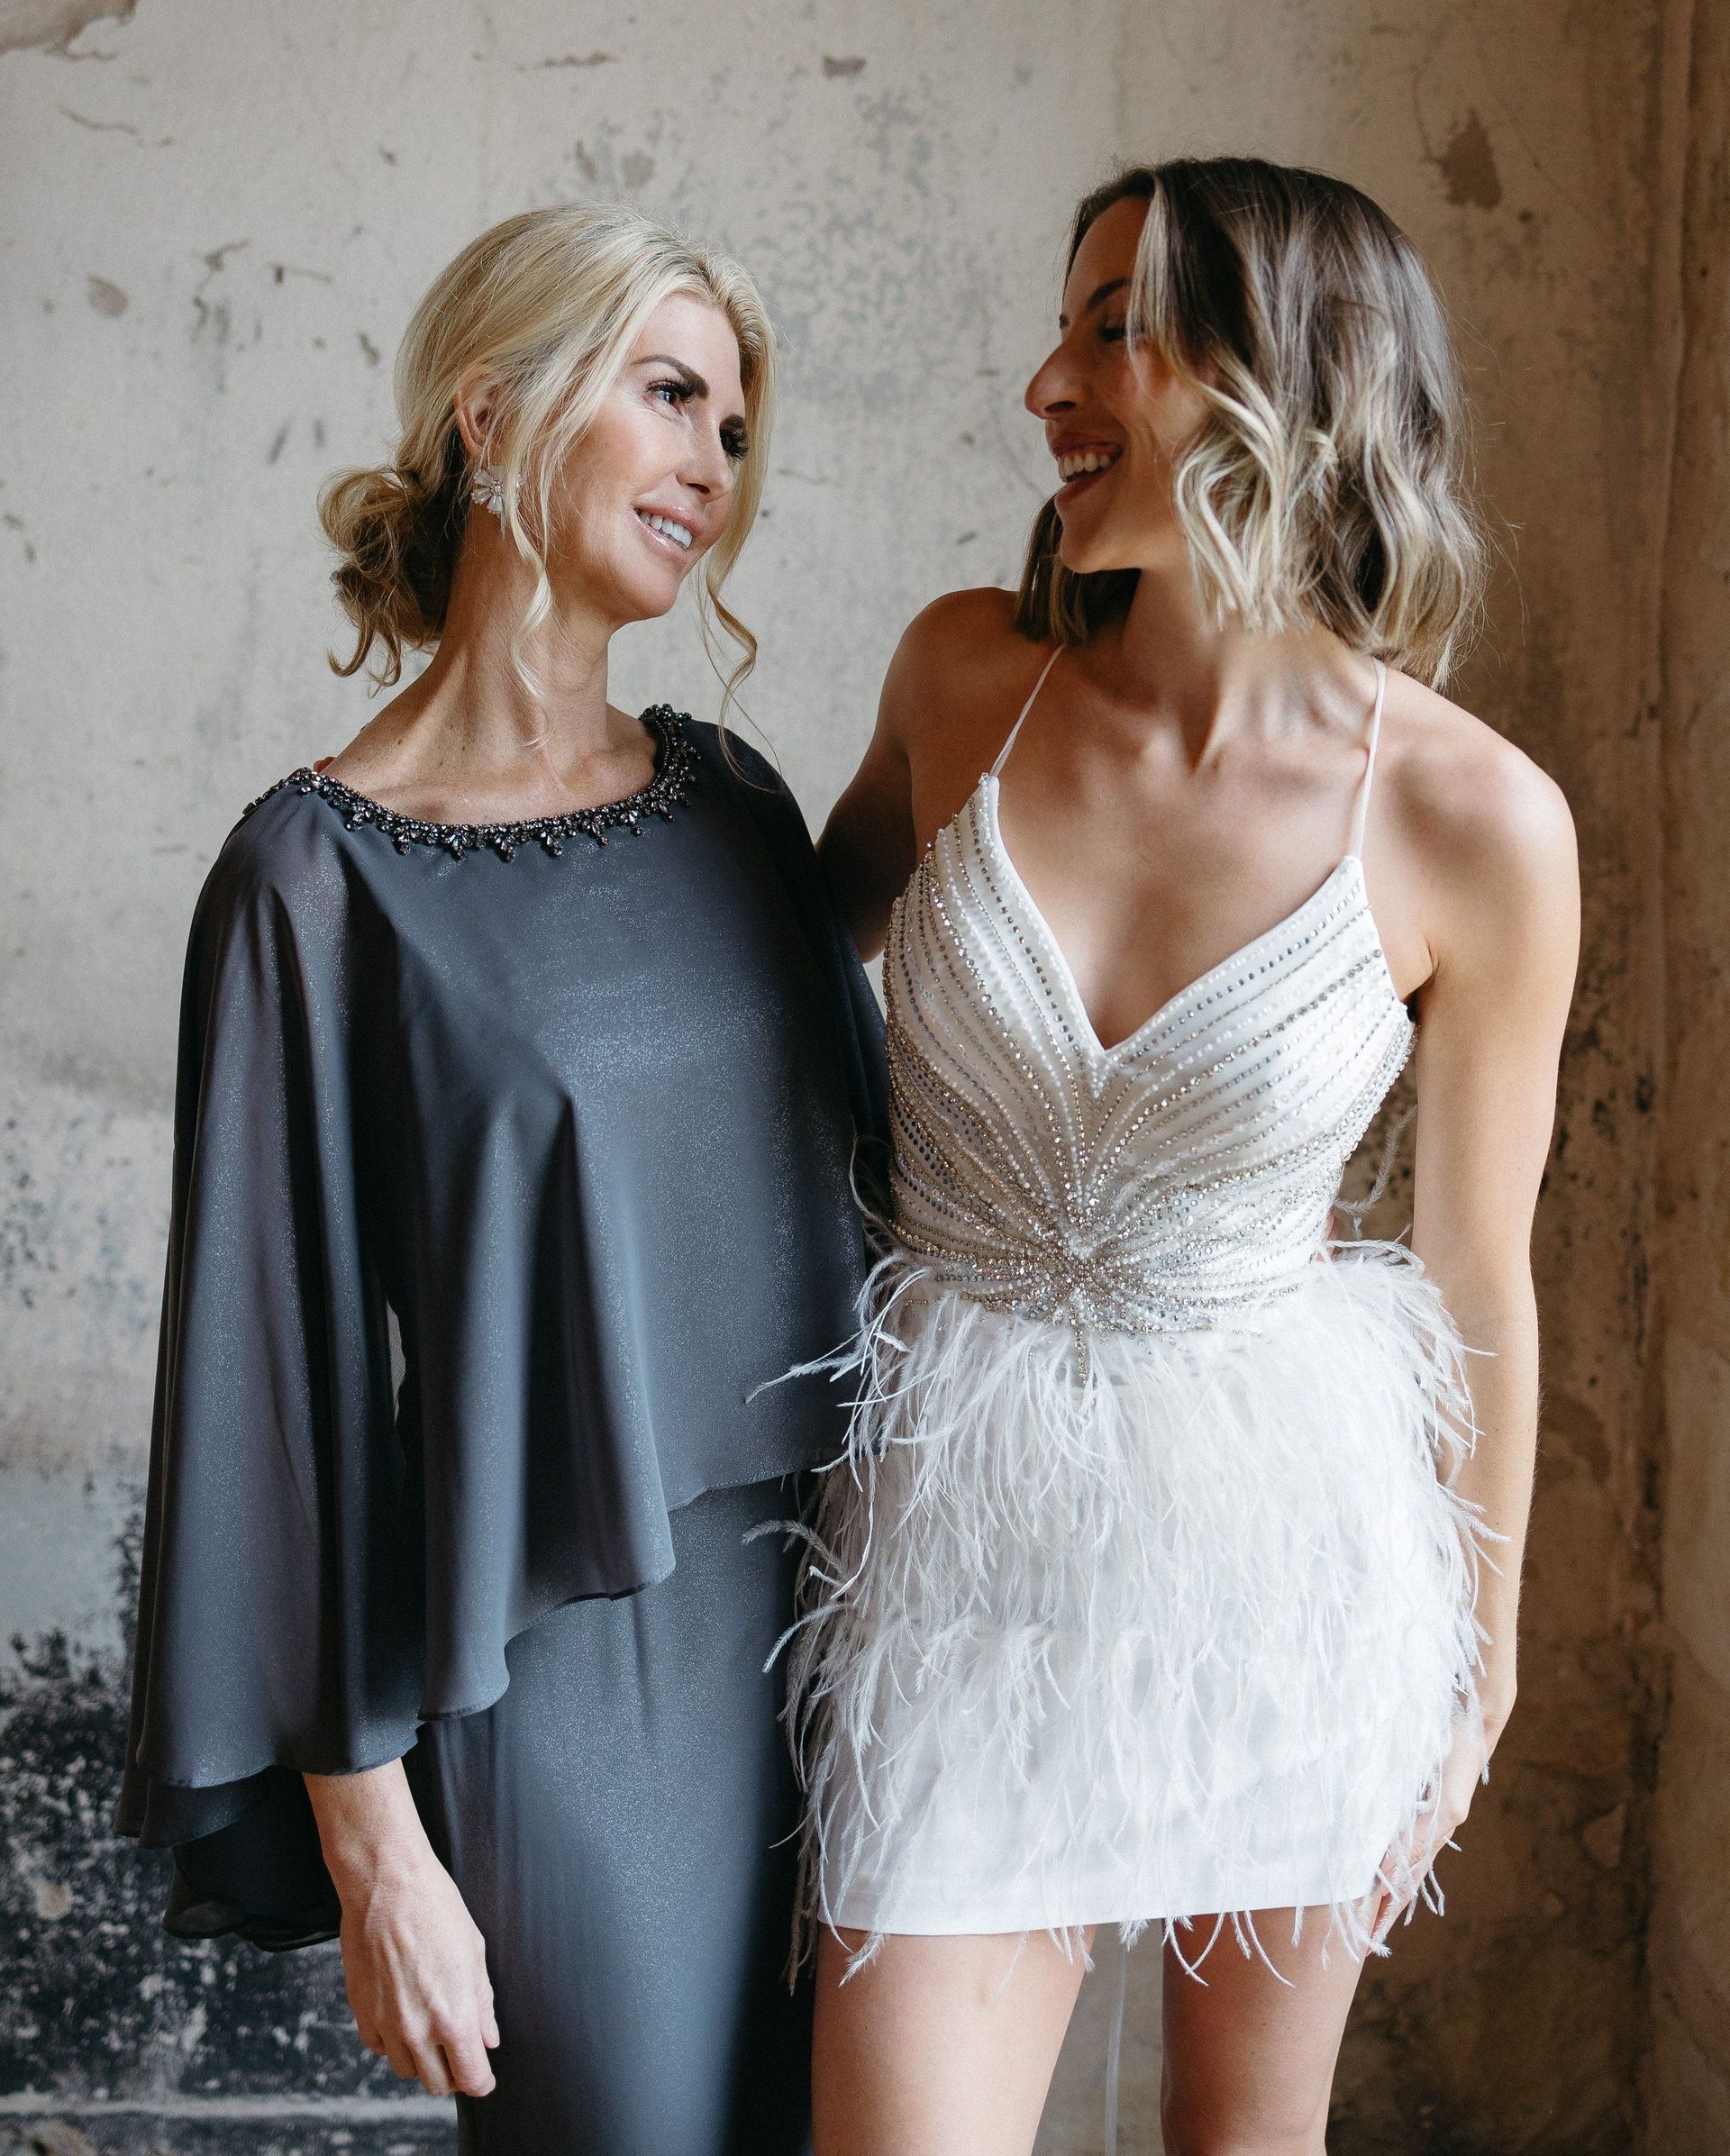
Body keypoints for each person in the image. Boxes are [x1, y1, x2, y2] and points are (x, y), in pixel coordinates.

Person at [792, 159, 1578, 2156]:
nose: (1047, 383)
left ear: (1289, 375)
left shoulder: (1476, 821)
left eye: (1117, 329)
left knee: (1244, 2145)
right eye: (1063, 326)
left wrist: (1481, 1666)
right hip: (959, 1548)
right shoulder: (963, 679)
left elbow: (1478, 1277)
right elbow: (759, 991)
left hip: (1287, 1560)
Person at [116, 204, 885, 2156]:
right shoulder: (311, 882)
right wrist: (377, 1854)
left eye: (735, 426)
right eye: (669, 394)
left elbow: (889, 1210)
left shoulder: (737, 804)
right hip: (567, 1698)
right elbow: (275, 1410)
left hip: (862, 1652)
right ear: (491, 412)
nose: (714, 464)